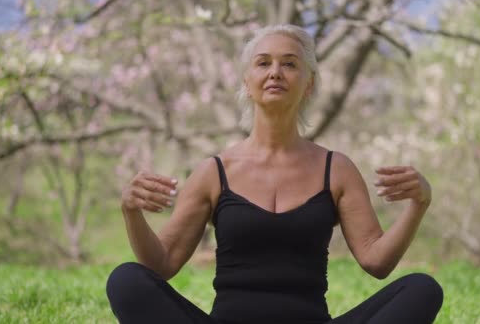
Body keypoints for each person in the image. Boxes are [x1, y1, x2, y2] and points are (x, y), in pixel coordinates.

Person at [106, 24, 443, 324]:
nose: (276, 72)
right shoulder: (214, 172)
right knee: (126, 280)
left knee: (422, 289)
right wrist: (131, 212)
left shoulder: (336, 169)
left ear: (308, 84)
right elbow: (162, 263)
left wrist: (419, 205)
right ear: (247, 81)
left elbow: (377, 261)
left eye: (290, 63)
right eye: (263, 62)